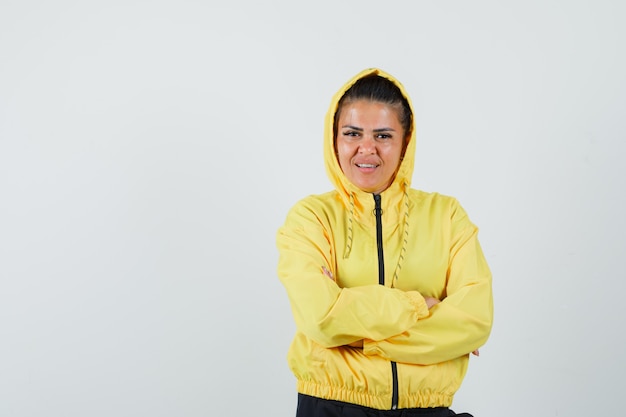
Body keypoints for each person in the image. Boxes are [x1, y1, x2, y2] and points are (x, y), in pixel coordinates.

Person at [276, 68, 493, 417]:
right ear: (334, 140)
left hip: (427, 409)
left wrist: (356, 335)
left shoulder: (447, 216)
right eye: (352, 133)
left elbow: (474, 322)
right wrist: (419, 306)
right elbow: (321, 318)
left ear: (405, 142)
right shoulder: (311, 218)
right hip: (332, 407)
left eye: (383, 135)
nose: (367, 149)